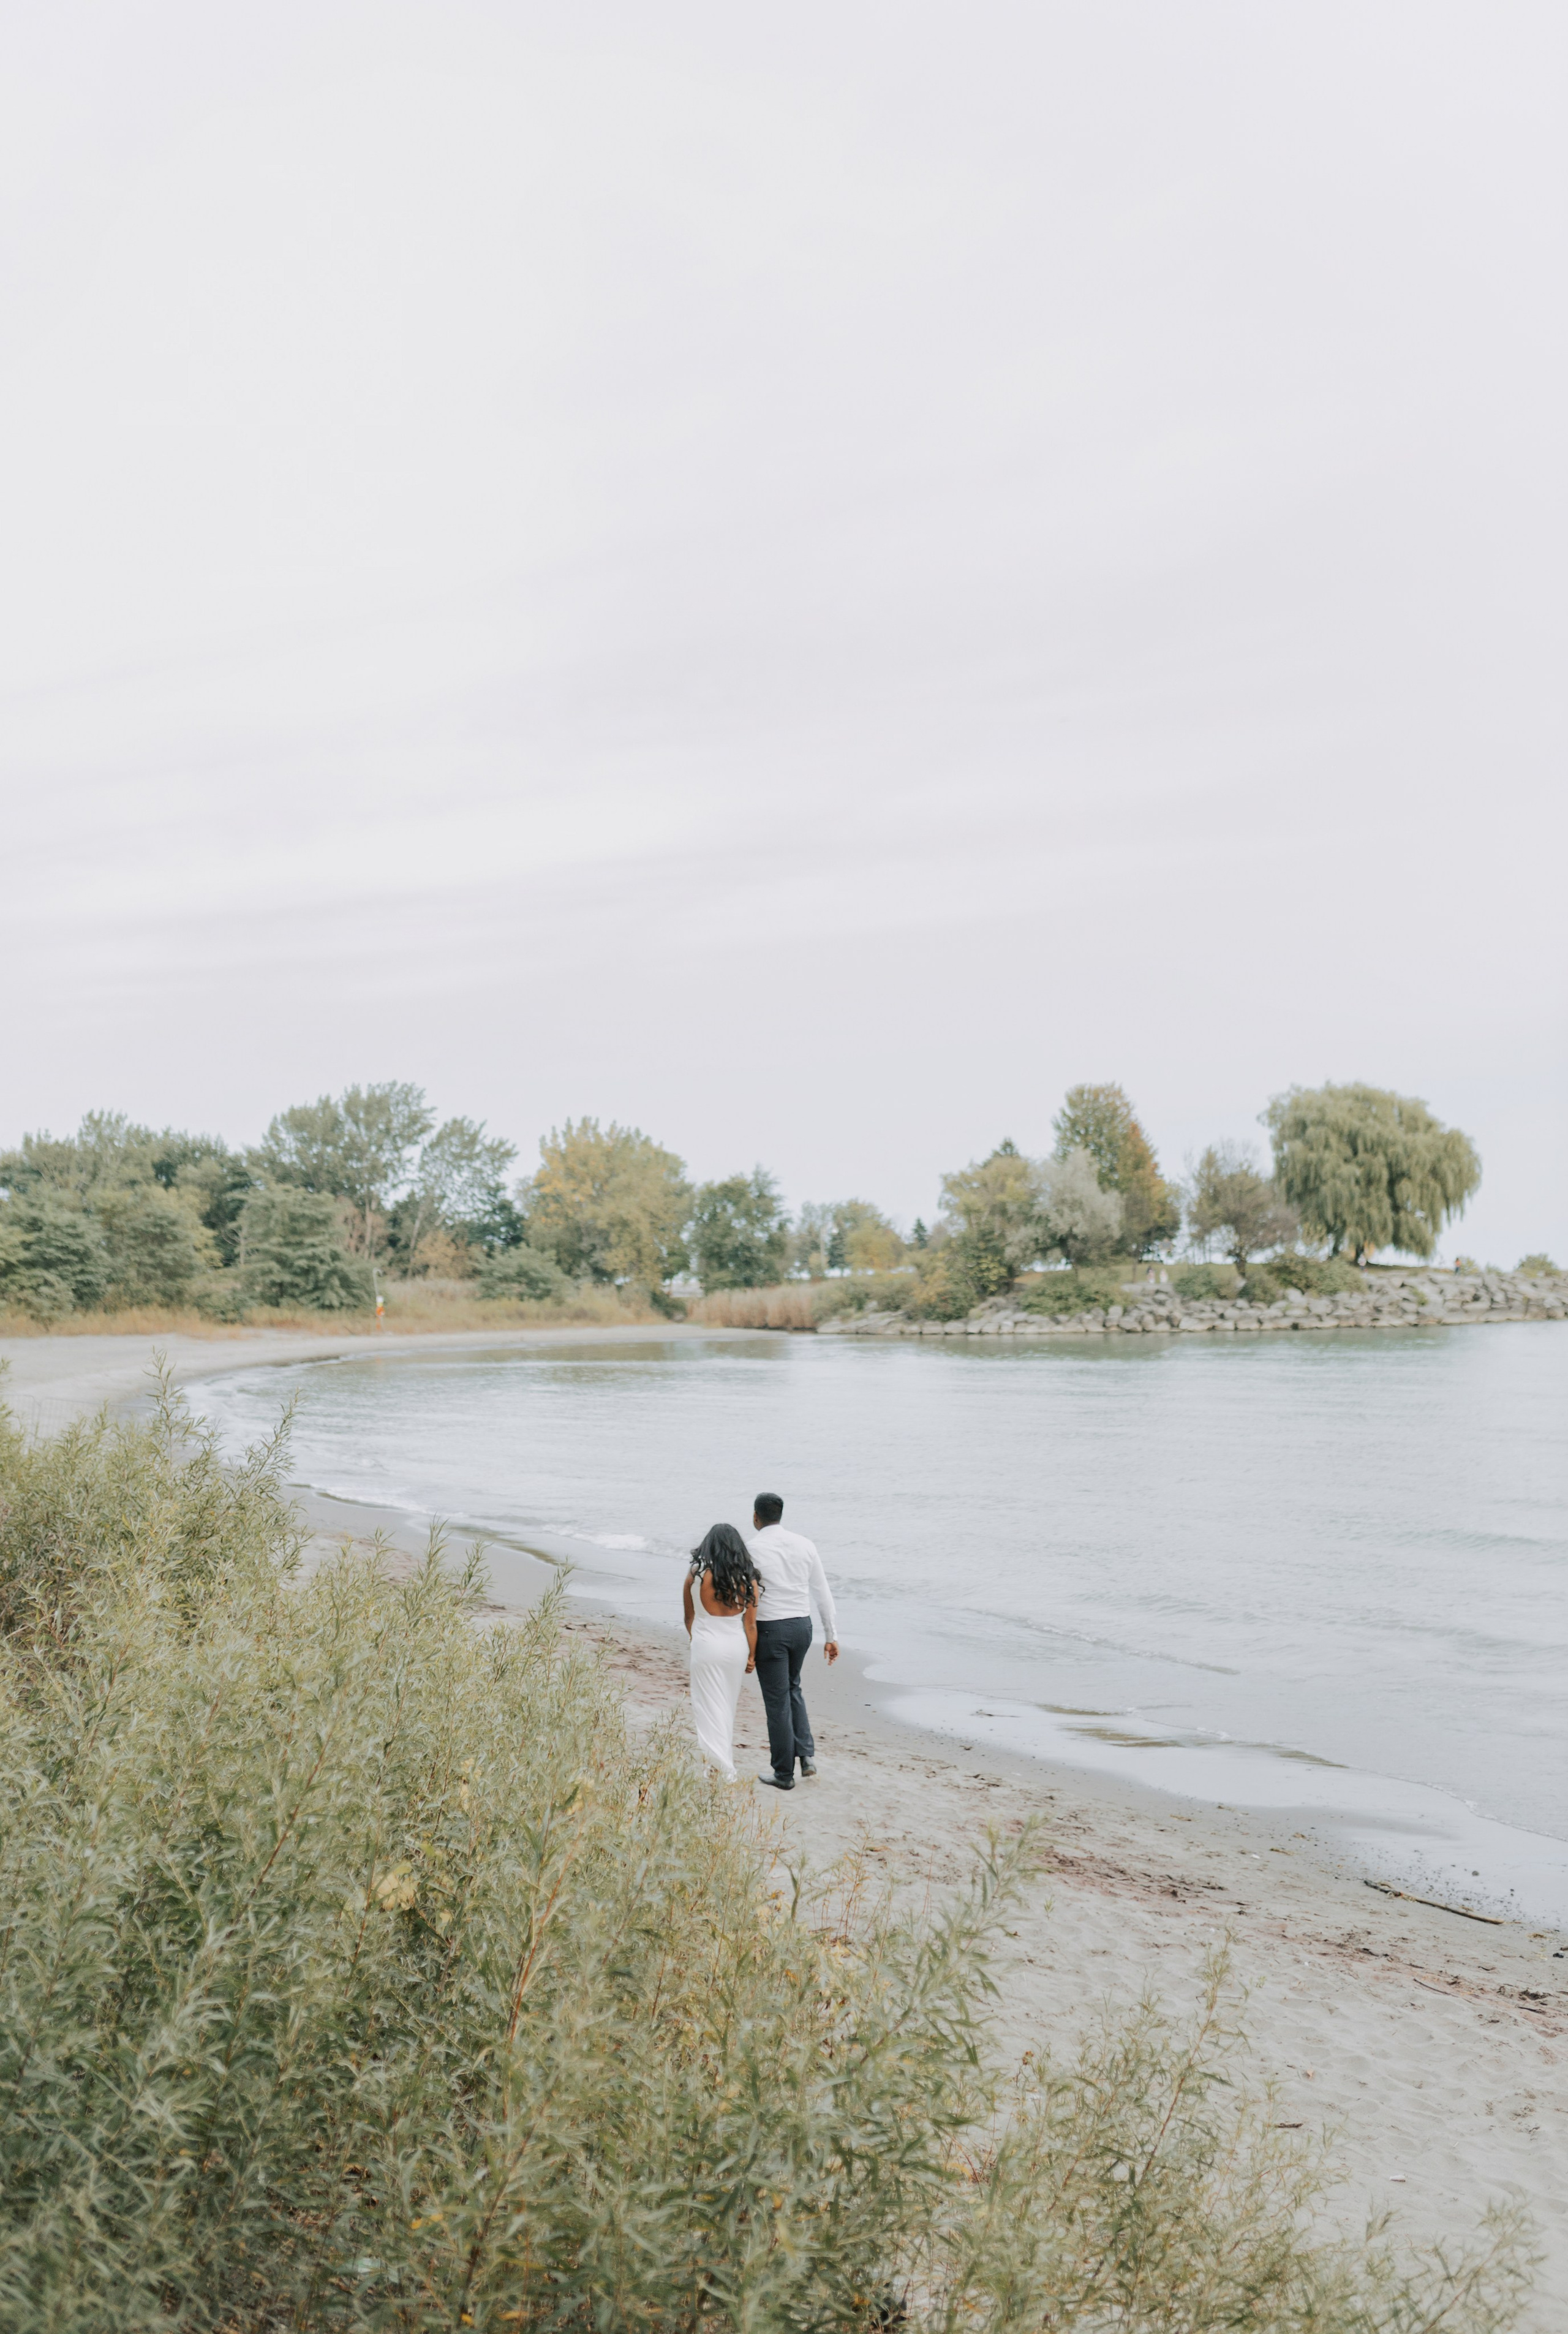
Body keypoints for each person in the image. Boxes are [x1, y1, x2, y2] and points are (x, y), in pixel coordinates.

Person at [747, 1491, 839, 1790]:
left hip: (771, 1630)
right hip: (802, 1627)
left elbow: (746, 1598)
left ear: (756, 1517)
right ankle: (806, 1757)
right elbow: (822, 1592)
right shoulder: (805, 1544)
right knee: (792, 1688)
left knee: (777, 1701)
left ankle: (784, 1774)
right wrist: (831, 1636)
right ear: (780, 1515)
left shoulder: (751, 1549)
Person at [682, 1523, 760, 1783]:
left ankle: (717, 1767)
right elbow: (751, 1625)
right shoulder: (748, 1581)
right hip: (736, 1648)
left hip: (706, 1645)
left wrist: (697, 1640)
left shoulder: (696, 1575)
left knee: (706, 1707)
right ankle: (721, 1765)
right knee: (727, 1706)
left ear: (709, 1546)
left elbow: (689, 1618)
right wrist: (752, 1656)